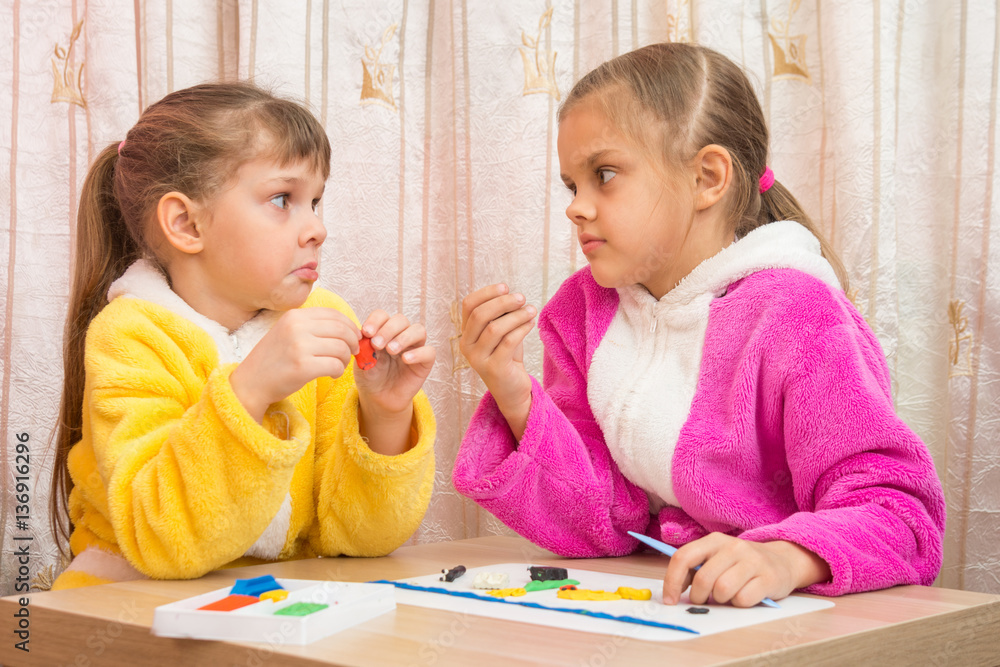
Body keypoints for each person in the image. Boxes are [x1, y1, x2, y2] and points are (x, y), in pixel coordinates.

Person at [453, 43, 945, 608]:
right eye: (572, 185)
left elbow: (901, 516)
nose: (576, 207)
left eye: (604, 174)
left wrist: (785, 558)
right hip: (667, 609)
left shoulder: (797, 315)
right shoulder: (581, 313)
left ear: (707, 176)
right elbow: (599, 522)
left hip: (791, 621)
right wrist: (515, 393)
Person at [50, 82, 436, 590]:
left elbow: (360, 538)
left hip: (264, 602)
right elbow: (164, 541)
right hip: (128, 602)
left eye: (315, 201)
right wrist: (249, 391)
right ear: (187, 224)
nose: (317, 229)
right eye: (282, 199)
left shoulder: (322, 319)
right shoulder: (130, 336)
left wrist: (385, 415)